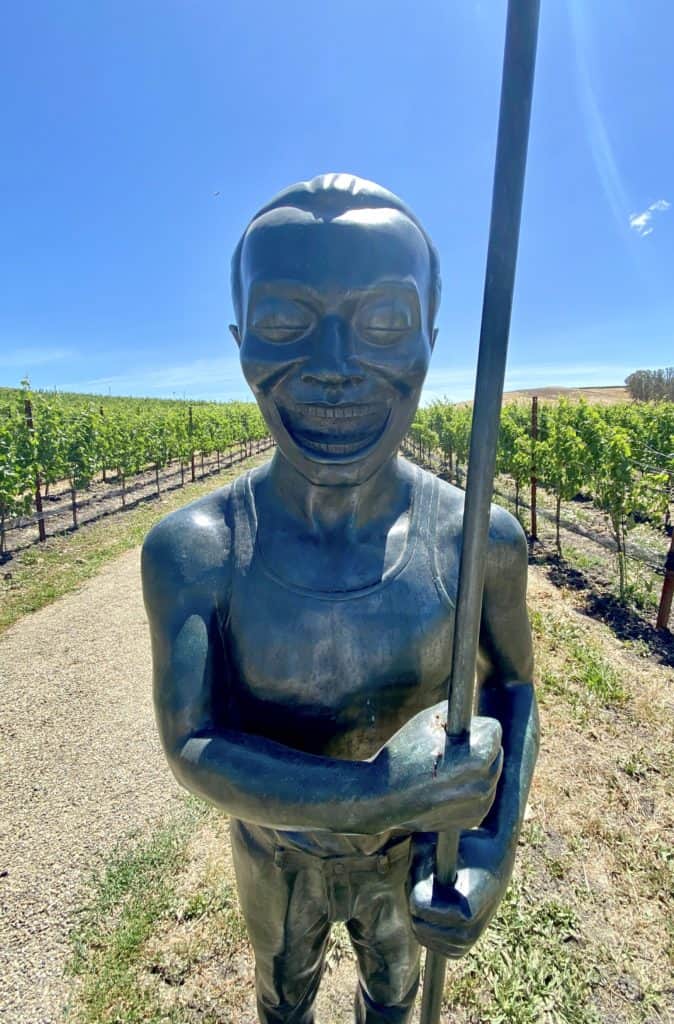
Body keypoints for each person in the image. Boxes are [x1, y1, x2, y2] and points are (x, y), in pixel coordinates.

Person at [142, 173, 539, 1024]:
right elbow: (192, 742)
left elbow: (513, 685)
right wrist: (380, 793)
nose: (332, 367)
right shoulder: (197, 549)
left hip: (408, 859)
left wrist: (487, 853)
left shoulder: (476, 541)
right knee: (281, 996)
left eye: (384, 321)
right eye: (286, 322)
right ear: (240, 341)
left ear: (429, 340)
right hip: (275, 853)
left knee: (393, 1000)